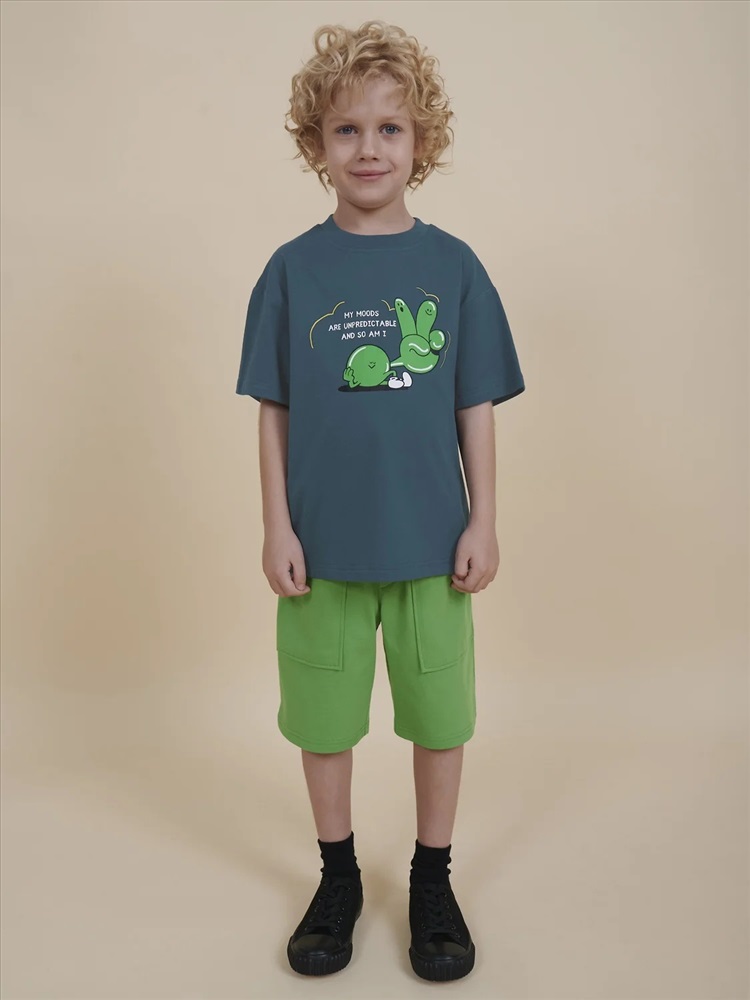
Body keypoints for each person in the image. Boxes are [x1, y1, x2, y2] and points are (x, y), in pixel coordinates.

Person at [235, 19, 525, 983]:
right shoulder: (291, 270)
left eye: (389, 128)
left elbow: (474, 404)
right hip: (321, 552)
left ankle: (432, 880)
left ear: (420, 141)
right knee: (324, 721)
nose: (369, 148)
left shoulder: (454, 268)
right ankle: (338, 878)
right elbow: (273, 408)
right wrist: (276, 525)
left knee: (440, 717)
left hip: (432, 546)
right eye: (347, 129)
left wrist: (483, 518)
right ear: (316, 143)